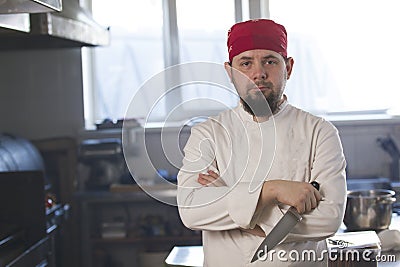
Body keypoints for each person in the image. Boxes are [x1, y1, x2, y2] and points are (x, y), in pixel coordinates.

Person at [176, 19, 347, 266]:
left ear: (288, 67)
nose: (259, 73)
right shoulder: (208, 134)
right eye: (246, 63)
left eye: (270, 61)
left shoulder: (319, 132)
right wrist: (272, 190)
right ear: (230, 72)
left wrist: (236, 203)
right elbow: (192, 211)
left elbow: (329, 218)